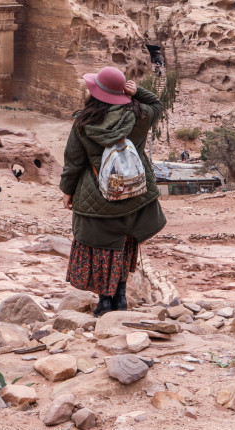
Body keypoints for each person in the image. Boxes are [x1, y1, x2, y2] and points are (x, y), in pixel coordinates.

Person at [59, 65, 165, 317]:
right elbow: (158, 106)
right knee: (122, 246)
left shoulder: (84, 121)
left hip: (96, 195)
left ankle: (104, 302)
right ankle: (120, 297)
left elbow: (73, 161)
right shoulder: (140, 115)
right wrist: (138, 92)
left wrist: (67, 190)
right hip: (133, 195)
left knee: (101, 248)